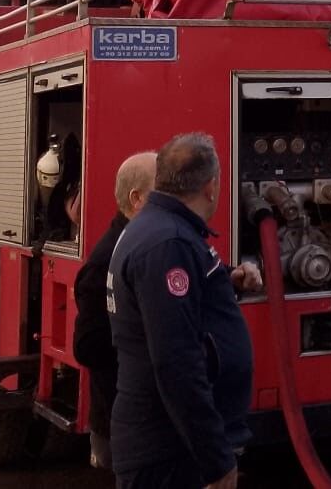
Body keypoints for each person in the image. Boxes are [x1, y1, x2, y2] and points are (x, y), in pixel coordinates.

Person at [108, 133, 261, 489]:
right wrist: (216, 459)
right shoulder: (168, 244)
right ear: (211, 187)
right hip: (170, 453)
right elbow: (176, 361)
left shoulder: (160, 233)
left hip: (166, 446)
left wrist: (226, 280)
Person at [75, 152, 157, 471]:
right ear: (136, 199)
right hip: (123, 424)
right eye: (161, 191)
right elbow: (87, 347)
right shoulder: (106, 259)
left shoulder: (148, 244)